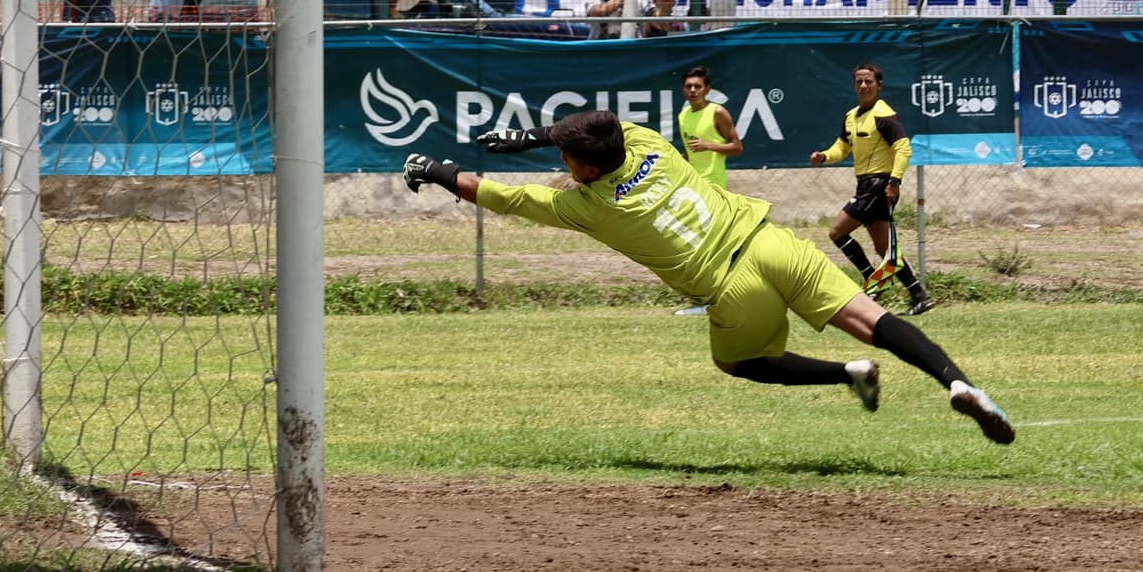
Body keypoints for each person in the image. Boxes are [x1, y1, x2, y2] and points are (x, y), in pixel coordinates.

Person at [401, 111, 1013, 444]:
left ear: (584, 167)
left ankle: (844, 375)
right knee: (873, 321)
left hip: (732, 287)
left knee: (740, 363)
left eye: (565, 156)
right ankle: (958, 385)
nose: (561, 161)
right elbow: (601, 124)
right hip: (772, 244)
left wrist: (437, 169)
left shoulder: (585, 206)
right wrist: (536, 136)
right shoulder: (647, 144)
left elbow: (497, 195)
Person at [809, 63, 932, 316]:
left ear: (879, 85)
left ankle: (872, 283)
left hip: (878, 185)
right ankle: (919, 295)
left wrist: (894, 181)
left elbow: (903, 147)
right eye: (859, 82)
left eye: (869, 82)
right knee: (885, 249)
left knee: (837, 232)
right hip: (866, 184)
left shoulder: (883, 113)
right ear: (854, 85)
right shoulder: (851, 116)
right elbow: (842, 148)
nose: (863, 86)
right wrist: (824, 156)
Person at [673, 65, 745, 317]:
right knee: (693, 242)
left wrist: (710, 145)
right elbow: (691, 154)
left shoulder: (718, 112)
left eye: (697, 87)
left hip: (714, 187)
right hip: (693, 187)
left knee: (710, 244)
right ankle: (712, 298)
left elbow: (737, 147)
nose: (692, 91)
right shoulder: (683, 116)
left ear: (707, 89)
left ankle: (715, 299)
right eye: (688, 87)